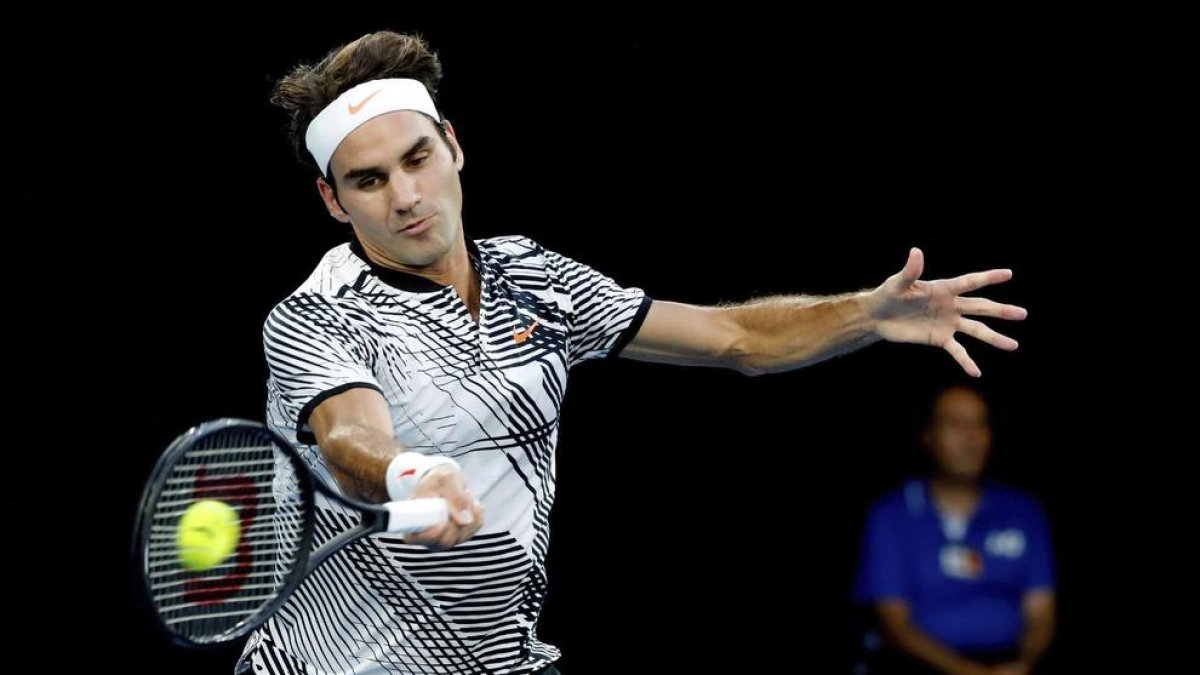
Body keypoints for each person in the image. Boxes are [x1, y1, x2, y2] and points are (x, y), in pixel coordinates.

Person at [237, 30, 1028, 675]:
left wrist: (868, 312)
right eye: (369, 181)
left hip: (497, 661)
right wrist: (412, 471)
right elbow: (347, 437)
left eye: (417, 159)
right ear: (333, 200)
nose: (406, 197)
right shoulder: (314, 316)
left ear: (452, 145)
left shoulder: (533, 277)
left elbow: (734, 339)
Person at [854, 385, 1055, 675]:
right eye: (955, 424)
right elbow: (894, 624)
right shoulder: (892, 514)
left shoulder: (1023, 510)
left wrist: (1022, 665)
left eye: (980, 424)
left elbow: (1041, 613)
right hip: (920, 667)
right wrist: (966, 672)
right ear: (928, 437)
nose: (971, 438)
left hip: (1008, 664)